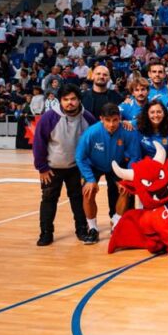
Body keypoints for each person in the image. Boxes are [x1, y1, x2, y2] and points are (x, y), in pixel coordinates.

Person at [32, 84, 94, 246]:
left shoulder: (88, 118)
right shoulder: (49, 118)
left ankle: (82, 230)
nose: (69, 103)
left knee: (78, 200)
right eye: (65, 99)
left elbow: (94, 144)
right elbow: (39, 143)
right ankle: (46, 233)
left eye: (73, 99)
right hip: (52, 169)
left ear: (79, 100)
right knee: (48, 200)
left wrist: (89, 169)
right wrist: (42, 168)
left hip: (77, 168)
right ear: (60, 101)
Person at [75, 103, 139, 244]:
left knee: (126, 189)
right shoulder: (91, 132)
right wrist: (90, 179)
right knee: (88, 192)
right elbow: (80, 157)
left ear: (120, 118)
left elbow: (135, 156)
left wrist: (128, 175)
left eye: (115, 120)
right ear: (101, 119)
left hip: (116, 165)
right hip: (94, 166)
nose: (111, 124)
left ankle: (116, 223)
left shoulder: (128, 131)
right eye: (108, 120)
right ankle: (92, 228)